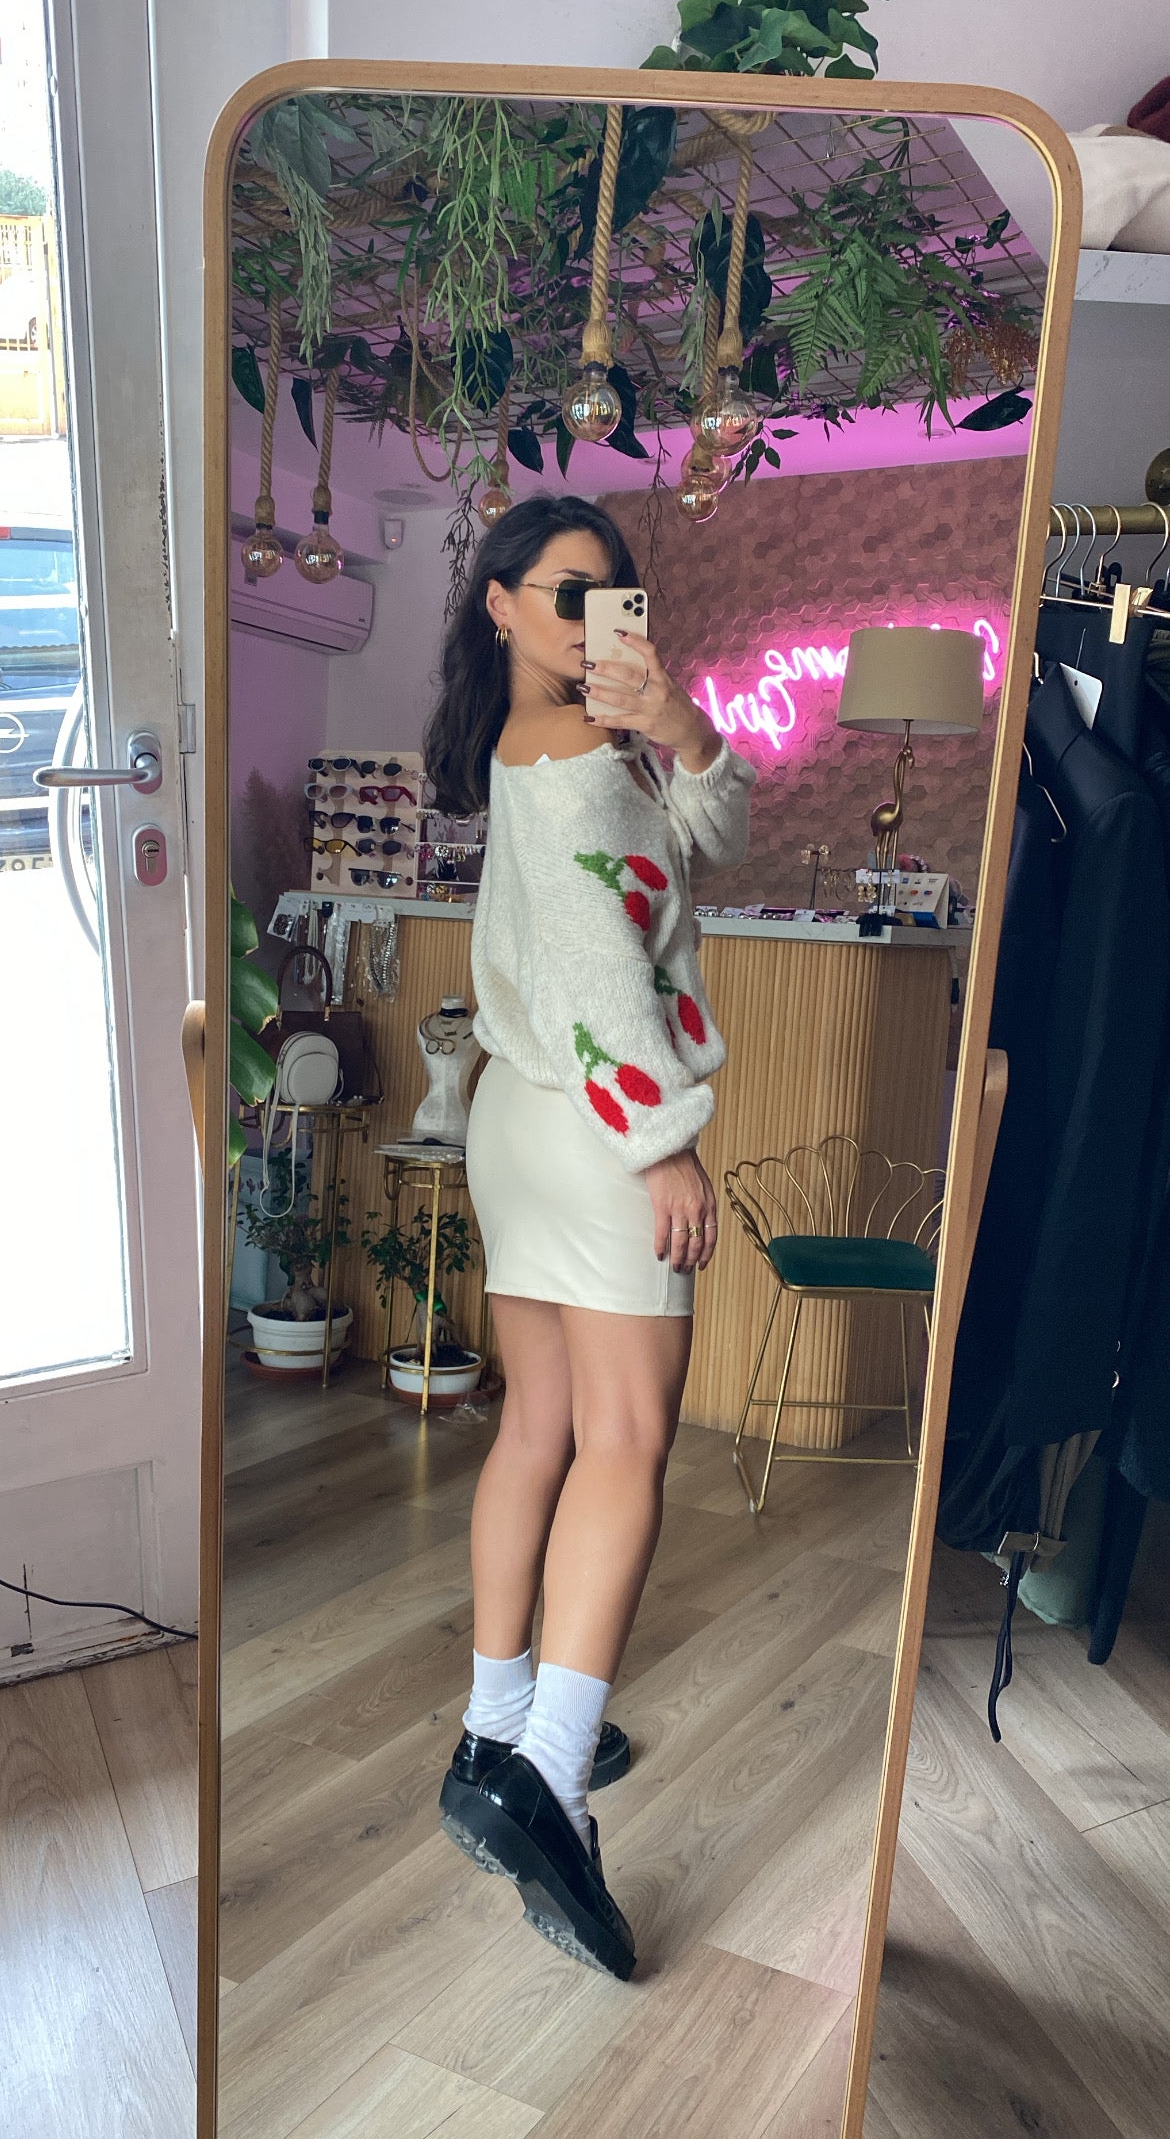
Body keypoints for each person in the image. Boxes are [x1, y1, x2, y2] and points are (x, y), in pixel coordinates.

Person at [423, 493, 754, 1978]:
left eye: (610, 593)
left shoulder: (559, 741)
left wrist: (681, 731)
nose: (590, 617)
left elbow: (708, 847)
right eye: (564, 593)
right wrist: (662, 1146)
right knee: (626, 1441)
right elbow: (599, 978)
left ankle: (493, 1730)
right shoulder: (565, 766)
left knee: (540, 1430)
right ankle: (547, 1782)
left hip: (522, 1120)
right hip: (596, 1119)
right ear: (497, 602)